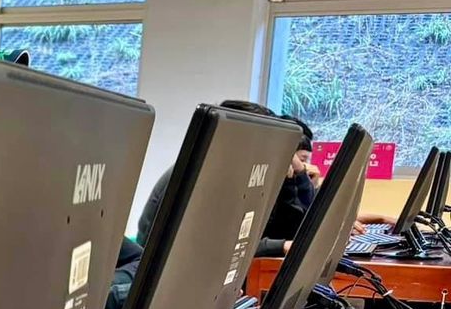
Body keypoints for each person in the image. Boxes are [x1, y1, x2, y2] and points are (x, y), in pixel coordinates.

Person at [137, 104, 390, 254]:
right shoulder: (202, 176)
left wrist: (297, 176)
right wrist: (282, 246)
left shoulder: (239, 174)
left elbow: (294, 224)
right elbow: (222, 245)